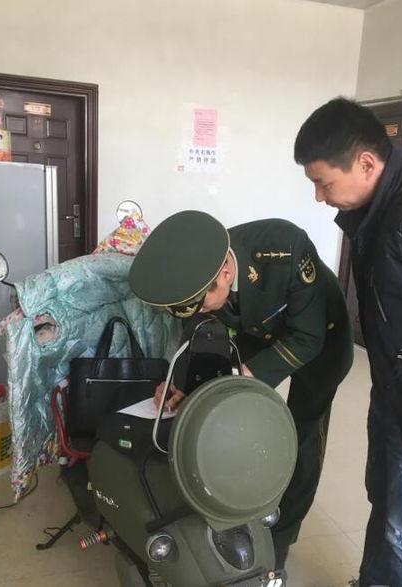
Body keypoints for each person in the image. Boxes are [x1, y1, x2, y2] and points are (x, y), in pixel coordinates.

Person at [128, 209, 353, 571]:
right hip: (257, 333)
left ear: (225, 275)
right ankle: (234, 506)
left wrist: (244, 374)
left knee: (302, 440)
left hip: (320, 338)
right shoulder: (200, 269)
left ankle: (280, 541)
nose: (198, 311)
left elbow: (307, 338)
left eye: (202, 304)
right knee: (232, 417)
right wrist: (181, 381)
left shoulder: (285, 249)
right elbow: (198, 328)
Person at [294, 97, 402, 587]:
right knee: (385, 500)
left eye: (324, 182)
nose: (319, 197)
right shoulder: (380, 203)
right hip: (394, 386)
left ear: (364, 163)